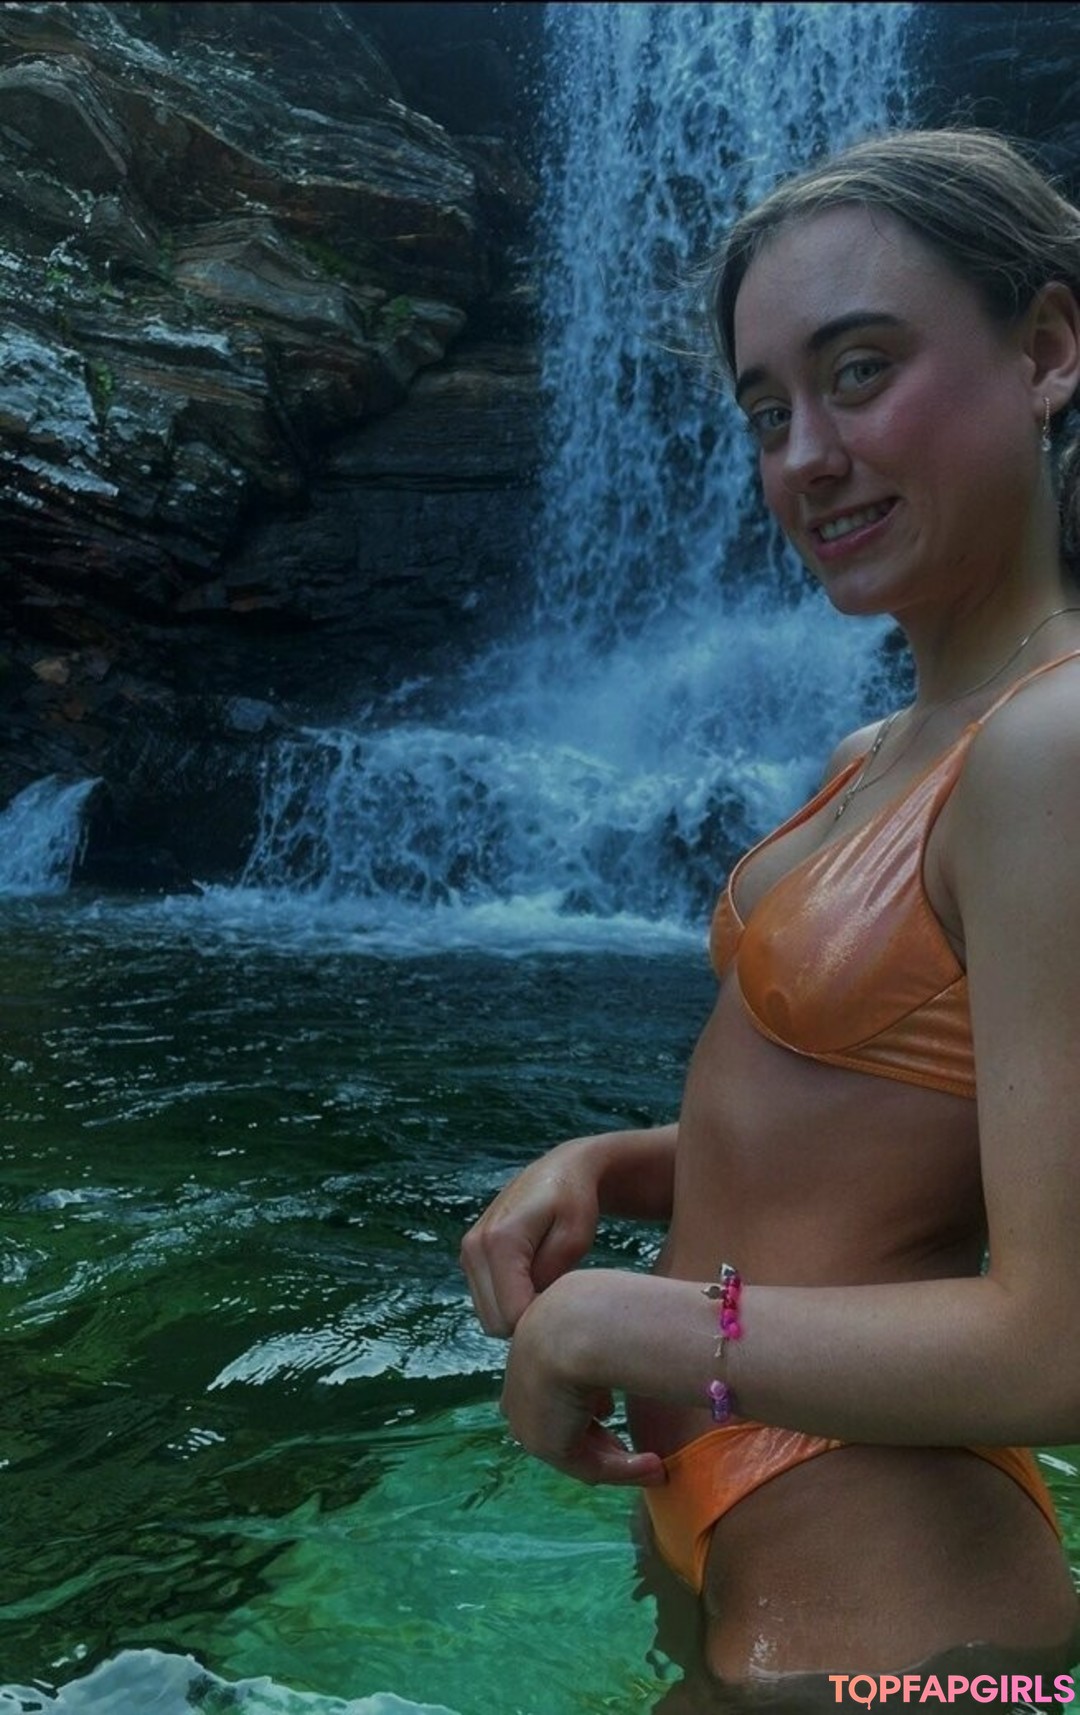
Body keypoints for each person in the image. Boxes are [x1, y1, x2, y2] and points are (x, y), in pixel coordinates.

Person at [460, 129, 1080, 1698]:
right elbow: (875, 1130)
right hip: (730, 1500)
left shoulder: (1056, 747)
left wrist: (620, 1327)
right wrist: (612, 1167)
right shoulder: (881, 749)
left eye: (861, 372)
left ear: (1046, 352)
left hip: (887, 1562)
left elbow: (1060, 1342)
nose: (807, 455)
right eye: (766, 412)